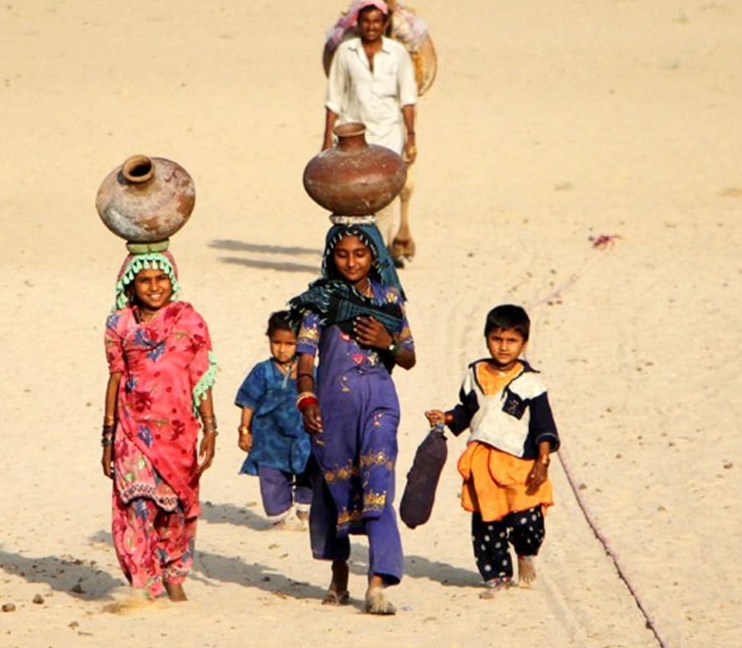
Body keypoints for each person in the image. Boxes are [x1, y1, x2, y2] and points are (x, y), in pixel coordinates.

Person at [289, 219, 415, 615]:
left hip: (379, 400)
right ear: (331, 257)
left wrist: (387, 341)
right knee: (333, 488)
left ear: (373, 255)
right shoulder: (319, 302)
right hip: (332, 408)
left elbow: (409, 357)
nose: (351, 261)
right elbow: (305, 358)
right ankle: (339, 572)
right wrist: (306, 399)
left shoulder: (390, 297)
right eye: (342, 254)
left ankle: (379, 582)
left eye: (360, 253)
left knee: (378, 481)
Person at [100, 248, 218, 602]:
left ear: (173, 280)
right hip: (132, 430)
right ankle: (143, 585)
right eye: (145, 280)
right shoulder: (118, 324)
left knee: (175, 511)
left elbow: (201, 377)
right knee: (137, 506)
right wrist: (107, 439)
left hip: (179, 432)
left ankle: (174, 577)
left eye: (161, 278)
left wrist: (211, 428)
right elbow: (115, 378)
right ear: (131, 286)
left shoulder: (190, 321)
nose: (154, 287)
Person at [424, 304, 560, 598]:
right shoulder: (474, 374)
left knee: (527, 521)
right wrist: (446, 418)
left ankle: (525, 554)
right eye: (497, 339)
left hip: (520, 464)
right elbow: (468, 411)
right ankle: (496, 576)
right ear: (487, 338)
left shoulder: (531, 384)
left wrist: (543, 460)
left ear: (524, 344)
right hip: (484, 462)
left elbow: (544, 426)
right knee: (488, 523)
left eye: (512, 341)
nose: (504, 347)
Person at [322, 0, 418, 260]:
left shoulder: (398, 54)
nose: (371, 26)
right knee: (354, 198)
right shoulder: (346, 52)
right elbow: (334, 98)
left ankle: (381, 251)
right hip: (353, 135)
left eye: (376, 21)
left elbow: (407, 98)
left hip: (389, 131)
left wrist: (411, 136)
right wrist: (326, 141)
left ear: (384, 24)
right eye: (366, 21)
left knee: (385, 195)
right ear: (359, 23)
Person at [236, 310, 313, 530]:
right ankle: (280, 518)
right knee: (272, 478)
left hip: (302, 434)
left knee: (308, 471)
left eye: (289, 343)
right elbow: (249, 401)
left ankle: (305, 512)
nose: (282, 348)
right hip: (269, 437)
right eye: (276, 342)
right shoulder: (262, 371)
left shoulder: (308, 371)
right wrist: (244, 430)